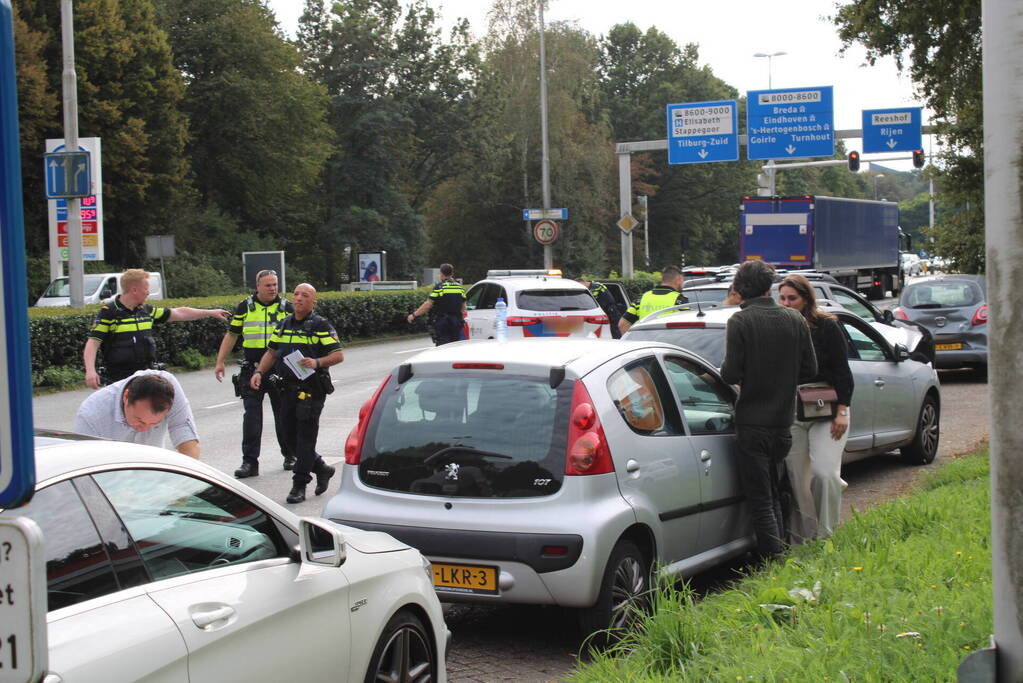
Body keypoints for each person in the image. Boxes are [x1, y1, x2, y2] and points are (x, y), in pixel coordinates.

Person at [719, 261, 817, 560]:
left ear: (740, 288)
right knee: (776, 490)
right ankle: (782, 549)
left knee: (760, 497)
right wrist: (782, 379)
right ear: (769, 287)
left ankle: (772, 560)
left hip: (752, 422)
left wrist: (749, 376)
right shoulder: (794, 319)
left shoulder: (741, 321)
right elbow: (810, 369)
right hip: (783, 422)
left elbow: (730, 373)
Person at [250, 283, 344, 504]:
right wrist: (258, 372)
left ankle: (299, 484)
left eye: (305, 295)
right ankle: (321, 467)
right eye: (296, 294)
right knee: (288, 438)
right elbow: (272, 352)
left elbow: (338, 355)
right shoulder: (283, 324)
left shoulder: (320, 325)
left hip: (311, 392)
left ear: (314, 302)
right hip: (287, 390)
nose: (299, 298)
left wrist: (317, 362)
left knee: (305, 439)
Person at [778, 274, 854, 541]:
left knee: (823, 474)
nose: (787, 303)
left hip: (827, 410)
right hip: (791, 410)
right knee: (798, 479)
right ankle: (804, 540)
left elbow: (843, 372)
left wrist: (843, 410)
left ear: (806, 299)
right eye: (783, 298)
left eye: (792, 298)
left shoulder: (826, 327)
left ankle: (826, 536)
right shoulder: (779, 328)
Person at [83, 269, 230, 388]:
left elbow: (178, 313)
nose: (148, 292)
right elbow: (93, 342)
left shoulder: (146, 311)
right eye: (146, 289)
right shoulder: (109, 312)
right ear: (134, 290)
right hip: (119, 379)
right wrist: (90, 371)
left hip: (147, 376)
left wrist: (209, 312)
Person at [214, 269, 295, 478]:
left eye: (275, 284)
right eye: (268, 285)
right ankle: (249, 462)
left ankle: (290, 455)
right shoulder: (245, 307)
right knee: (252, 417)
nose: (272, 288)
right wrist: (220, 361)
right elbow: (232, 335)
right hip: (251, 369)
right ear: (257, 286)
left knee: (283, 414)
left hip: (279, 369)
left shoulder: (287, 307)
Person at [73, 370, 200, 458]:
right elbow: (85, 468)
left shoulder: (169, 385)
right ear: (126, 396)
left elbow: (183, 430)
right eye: (139, 420)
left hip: (153, 474)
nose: (144, 429)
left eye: (154, 424)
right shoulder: (91, 415)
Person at [618, 265, 689, 334]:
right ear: (678, 279)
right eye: (683, 280)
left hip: (646, 345)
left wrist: (634, 341)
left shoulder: (642, 298)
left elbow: (623, 324)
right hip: (668, 344)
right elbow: (687, 328)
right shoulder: (680, 300)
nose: (683, 283)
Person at [407, 263, 466, 345]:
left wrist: (414, 315)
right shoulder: (460, 288)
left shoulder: (439, 287)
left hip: (443, 323)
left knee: (442, 348)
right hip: (456, 323)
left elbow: (428, 305)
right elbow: (463, 308)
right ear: (452, 274)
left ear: (441, 274)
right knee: (454, 347)